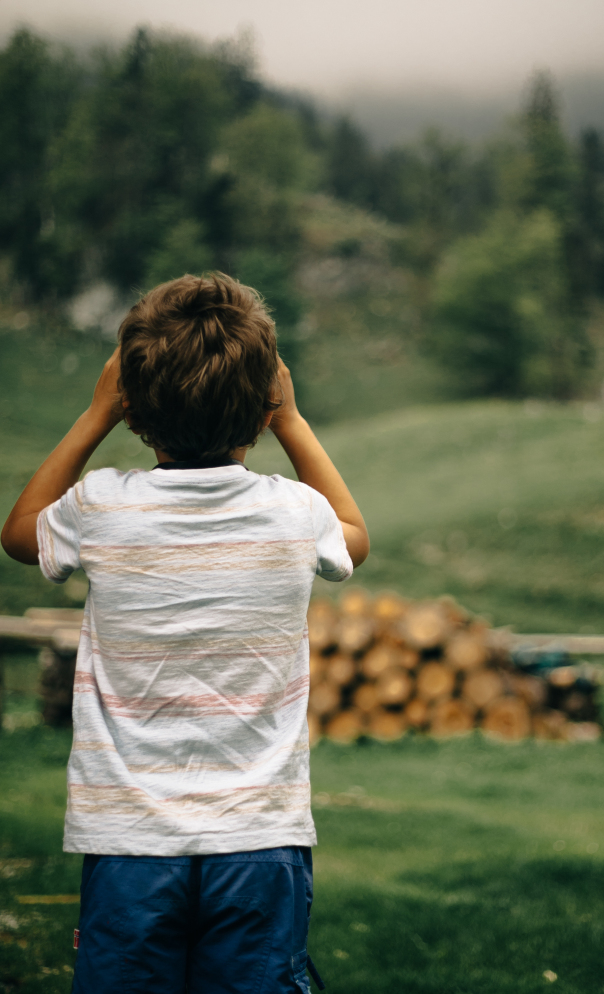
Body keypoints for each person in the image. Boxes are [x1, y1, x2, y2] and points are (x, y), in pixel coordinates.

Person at [1, 272, 369, 994]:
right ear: (264, 402)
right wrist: (291, 419)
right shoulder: (295, 514)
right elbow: (352, 537)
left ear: (134, 409)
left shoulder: (102, 507)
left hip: (129, 838)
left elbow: (18, 534)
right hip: (261, 838)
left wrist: (95, 412)